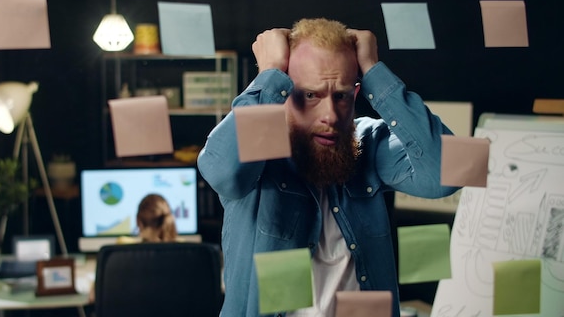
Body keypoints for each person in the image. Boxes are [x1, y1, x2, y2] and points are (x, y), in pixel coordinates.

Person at [197, 18, 460, 317]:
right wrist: (269, 73)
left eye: (342, 96)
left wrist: (374, 70)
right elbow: (222, 172)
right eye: (310, 95)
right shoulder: (255, 150)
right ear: (284, 92)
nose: (331, 115)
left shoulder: (368, 143)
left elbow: (449, 173)